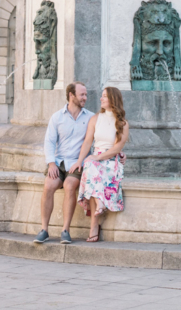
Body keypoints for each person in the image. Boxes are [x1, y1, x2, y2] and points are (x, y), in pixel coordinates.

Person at [35, 81, 93, 244]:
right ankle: (44, 229)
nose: (85, 98)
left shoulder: (90, 117)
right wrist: (51, 163)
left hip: (78, 163)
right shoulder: (57, 117)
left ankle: (65, 230)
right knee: (48, 186)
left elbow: (102, 136)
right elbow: (49, 141)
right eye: (82, 94)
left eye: (86, 94)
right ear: (71, 95)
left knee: (69, 186)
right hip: (59, 162)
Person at [74, 84, 129, 242]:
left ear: (113, 99)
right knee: (89, 166)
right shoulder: (95, 119)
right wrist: (80, 161)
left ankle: (94, 224)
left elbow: (118, 147)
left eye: (104, 96)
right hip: (96, 160)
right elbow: (87, 142)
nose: (101, 98)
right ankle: (99, 205)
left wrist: (98, 158)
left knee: (92, 168)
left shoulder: (123, 123)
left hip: (111, 160)